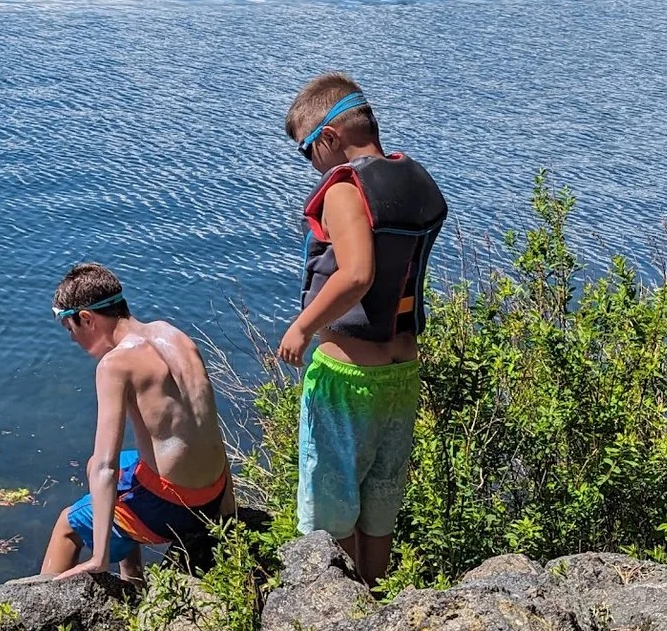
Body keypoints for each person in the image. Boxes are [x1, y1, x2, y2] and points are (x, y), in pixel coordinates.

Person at [276, 73, 448, 586]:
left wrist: (302, 327)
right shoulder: (415, 179)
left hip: (348, 378)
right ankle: (375, 600)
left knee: (328, 514)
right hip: (401, 373)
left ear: (328, 139)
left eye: (307, 152)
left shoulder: (345, 189)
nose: (310, 165)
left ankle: (337, 621)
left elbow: (355, 274)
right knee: (379, 505)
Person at [38, 263, 235, 581]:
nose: (72, 339)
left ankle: (36, 607)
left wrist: (97, 558)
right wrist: (228, 511)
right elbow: (207, 426)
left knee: (67, 523)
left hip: (175, 508)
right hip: (213, 494)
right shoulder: (174, 336)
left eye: (70, 328)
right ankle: (133, 580)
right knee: (103, 466)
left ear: (86, 318)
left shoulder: (115, 365)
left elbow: (107, 466)